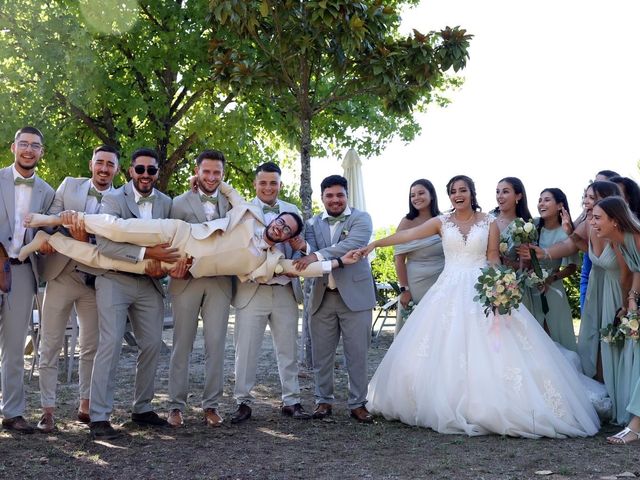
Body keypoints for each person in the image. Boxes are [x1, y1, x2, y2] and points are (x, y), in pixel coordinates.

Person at [357, 175, 600, 437]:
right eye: (453, 191)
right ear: (449, 196)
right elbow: (407, 235)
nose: (457, 195)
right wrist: (374, 244)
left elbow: (493, 257)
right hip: (447, 288)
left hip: (482, 287)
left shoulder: (489, 222)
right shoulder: (441, 222)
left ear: (472, 193)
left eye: (463, 190)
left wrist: (502, 284)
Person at [21, 182, 334, 282]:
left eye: (287, 230)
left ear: (286, 237)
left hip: (179, 265)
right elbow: (231, 193)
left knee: (105, 260)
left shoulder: (270, 263)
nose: (280, 227)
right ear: (274, 219)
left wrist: (332, 261)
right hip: (178, 234)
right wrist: (205, 179)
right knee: (117, 229)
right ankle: (50, 220)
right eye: (281, 221)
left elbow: (301, 270)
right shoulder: (250, 217)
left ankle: (52, 240)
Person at [87, 148, 176, 440]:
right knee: (110, 344)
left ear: (157, 173)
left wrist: (163, 266)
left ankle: (142, 408)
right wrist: (147, 254)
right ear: (130, 171)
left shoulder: (166, 202)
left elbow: (174, 241)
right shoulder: (113, 199)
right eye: (140, 169)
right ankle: (99, 416)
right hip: (114, 279)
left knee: (152, 344)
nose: (146, 175)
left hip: (150, 284)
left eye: (152, 170)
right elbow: (105, 244)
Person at [36, 145, 119, 433]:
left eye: (110, 164)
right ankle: (47, 410)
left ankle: (86, 404)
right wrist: (50, 238)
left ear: (117, 170)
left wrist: (88, 239)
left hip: (95, 280)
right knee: (50, 343)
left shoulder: (120, 199)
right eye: (100, 162)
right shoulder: (69, 185)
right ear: (91, 163)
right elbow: (51, 220)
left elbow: (118, 241)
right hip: (61, 273)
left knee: (92, 346)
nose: (104, 168)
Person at [231, 162, 311, 424]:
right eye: (263, 182)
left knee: (288, 347)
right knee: (246, 348)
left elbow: (303, 250)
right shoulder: (242, 210)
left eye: (273, 183)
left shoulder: (293, 211)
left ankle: (292, 400)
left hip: (285, 290)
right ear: (255, 184)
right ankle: (243, 402)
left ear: (280, 184)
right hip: (251, 288)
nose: (268, 187)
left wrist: (301, 249)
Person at [294, 175, 377, 423]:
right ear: (322, 198)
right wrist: (306, 250)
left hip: (356, 297)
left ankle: (358, 403)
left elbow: (352, 245)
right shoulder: (311, 223)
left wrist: (315, 255)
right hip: (321, 295)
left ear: (347, 196)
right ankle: (323, 401)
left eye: (340, 195)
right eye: (329, 195)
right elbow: (306, 251)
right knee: (321, 355)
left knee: (357, 353)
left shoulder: (361, 219)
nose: (335, 200)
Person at [165, 150, 233, 428]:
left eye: (217, 172)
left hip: (220, 280)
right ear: (197, 171)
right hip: (185, 280)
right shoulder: (178, 203)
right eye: (206, 171)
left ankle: (211, 405)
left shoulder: (232, 202)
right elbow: (169, 238)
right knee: (182, 344)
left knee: (216, 345)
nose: (211, 177)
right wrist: (174, 267)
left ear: (223, 174)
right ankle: (174, 406)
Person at [0, 126, 55, 434]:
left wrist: (46, 243)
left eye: (35, 145)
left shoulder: (47, 192)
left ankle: (12, 412)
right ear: (13, 147)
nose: (29, 149)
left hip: (21, 271)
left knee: (13, 346)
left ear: (41, 152)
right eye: (24, 144)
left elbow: (47, 236)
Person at [588, 196, 640, 443]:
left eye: (598, 218)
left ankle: (636, 426)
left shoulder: (637, 238)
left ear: (615, 220)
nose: (593, 222)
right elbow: (637, 271)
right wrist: (630, 302)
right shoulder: (619, 243)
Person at [526, 188, 578, 351]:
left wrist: (551, 279)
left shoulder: (566, 231)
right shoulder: (532, 226)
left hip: (553, 289)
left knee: (556, 334)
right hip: (530, 288)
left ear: (559, 205)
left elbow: (571, 267)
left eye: (547, 200)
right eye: (540, 200)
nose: (541, 203)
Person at [393, 179, 444, 336]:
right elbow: (399, 259)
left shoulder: (444, 220)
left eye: (421, 193)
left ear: (432, 195)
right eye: (412, 195)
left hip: (442, 280)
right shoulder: (407, 222)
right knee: (415, 331)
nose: (416, 198)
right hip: (416, 283)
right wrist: (404, 289)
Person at [492, 177, 535, 309]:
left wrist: (506, 262)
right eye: (497, 192)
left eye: (505, 192)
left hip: (510, 286)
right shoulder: (487, 219)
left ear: (518, 196)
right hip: (483, 279)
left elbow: (526, 267)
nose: (500, 196)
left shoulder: (524, 226)